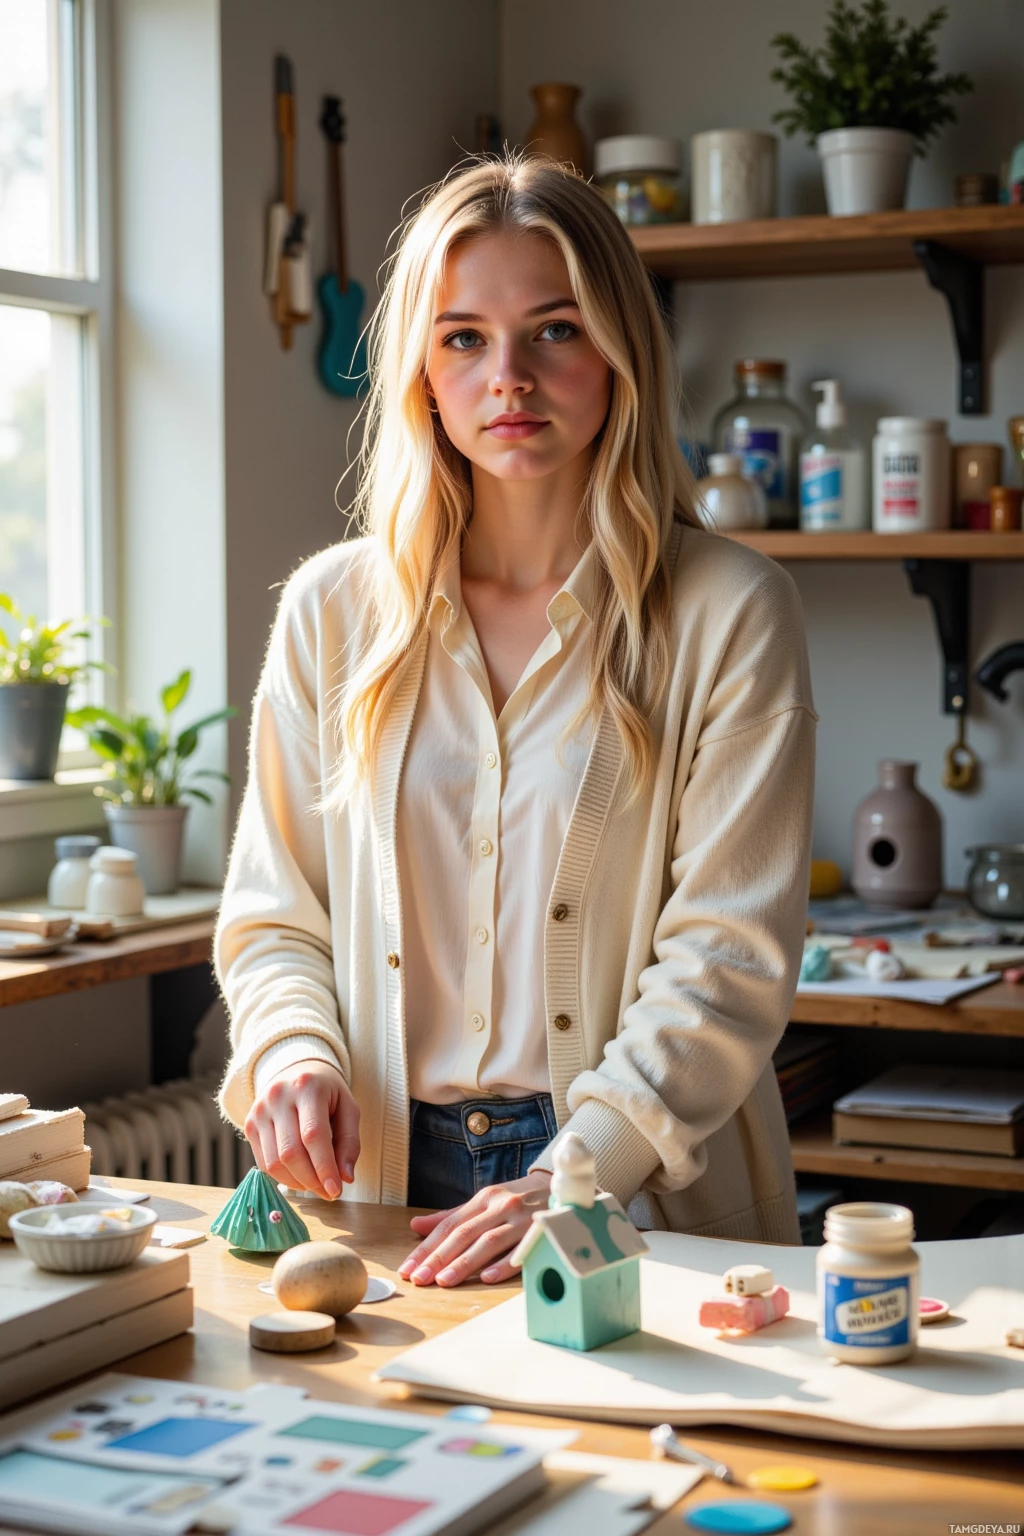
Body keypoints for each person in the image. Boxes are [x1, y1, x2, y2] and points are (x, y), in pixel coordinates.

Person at [216, 154, 817, 1289]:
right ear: (420, 373)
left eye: (554, 329)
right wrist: (292, 1050)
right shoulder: (330, 612)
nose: (510, 379)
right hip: (380, 1187)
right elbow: (274, 915)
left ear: (619, 348)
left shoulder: (732, 611)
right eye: (463, 339)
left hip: (640, 1183)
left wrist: (572, 1173)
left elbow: (725, 961)